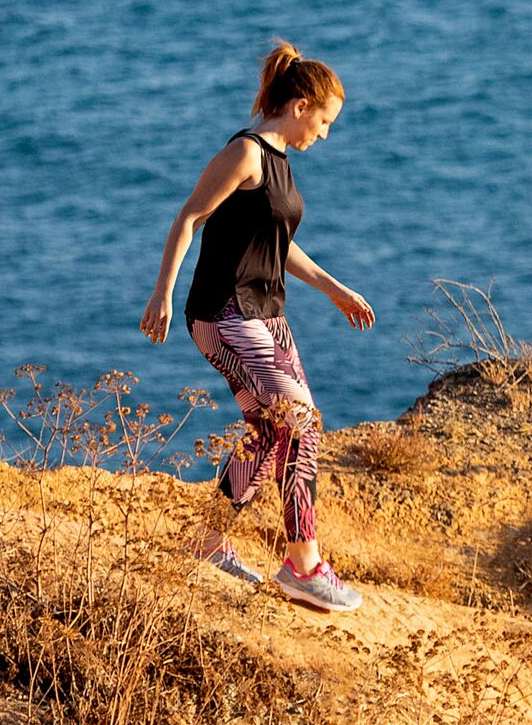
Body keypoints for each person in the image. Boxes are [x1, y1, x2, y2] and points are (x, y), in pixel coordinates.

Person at [139, 42, 376, 613]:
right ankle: (303, 564)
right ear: (299, 107)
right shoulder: (246, 155)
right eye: (323, 122)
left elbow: (278, 245)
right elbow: (190, 215)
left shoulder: (281, 166)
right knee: (298, 421)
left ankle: (205, 540)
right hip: (223, 313)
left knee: (277, 433)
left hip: (269, 314)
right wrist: (163, 293)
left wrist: (335, 289)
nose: (324, 135)